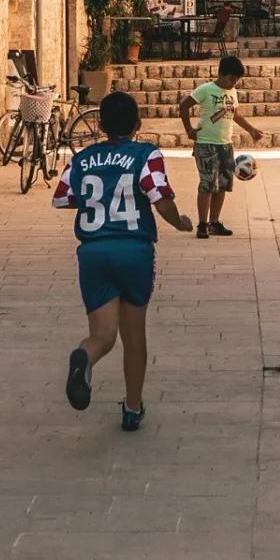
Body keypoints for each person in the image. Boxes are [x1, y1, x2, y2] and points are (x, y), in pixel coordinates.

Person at [54, 89, 192, 430]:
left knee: (102, 336)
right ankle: (132, 407)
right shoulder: (146, 155)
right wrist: (181, 222)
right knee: (134, 335)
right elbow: (160, 198)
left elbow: (62, 198)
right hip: (134, 251)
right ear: (138, 123)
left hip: (93, 252)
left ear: (99, 125)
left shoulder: (82, 159)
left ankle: (84, 357)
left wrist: (95, 201)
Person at [180, 50, 264, 238]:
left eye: (236, 80)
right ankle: (202, 224)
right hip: (205, 144)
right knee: (207, 184)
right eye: (231, 79)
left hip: (225, 144)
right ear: (221, 74)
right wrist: (189, 130)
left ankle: (214, 222)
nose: (233, 83)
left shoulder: (232, 92)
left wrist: (251, 130)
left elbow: (235, 114)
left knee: (222, 185)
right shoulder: (206, 90)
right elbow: (184, 105)